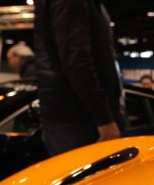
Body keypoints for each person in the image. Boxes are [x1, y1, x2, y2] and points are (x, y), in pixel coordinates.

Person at [33, 0, 123, 156]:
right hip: (80, 119)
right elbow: (76, 60)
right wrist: (104, 118)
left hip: (75, 116)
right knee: (98, 179)